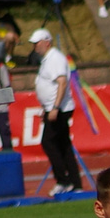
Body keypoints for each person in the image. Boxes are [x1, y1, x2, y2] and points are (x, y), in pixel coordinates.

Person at [33, 29, 80, 195]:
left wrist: (54, 108)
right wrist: (46, 107)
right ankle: (75, 182)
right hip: (53, 108)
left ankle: (63, 180)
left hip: (59, 109)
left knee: (48, 142)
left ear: (47, 42)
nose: (35, 47)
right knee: (63, 144)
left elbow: (62, 83)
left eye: (37, 43)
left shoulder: (55, 58)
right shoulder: (47, 59)